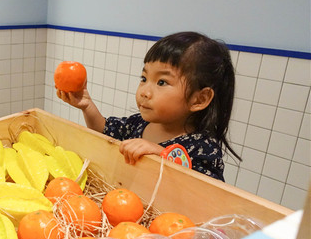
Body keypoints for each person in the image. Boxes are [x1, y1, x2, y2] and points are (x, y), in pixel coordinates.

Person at [57, 31, 241, 181]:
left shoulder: (203, 148)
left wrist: (162, 155)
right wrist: (87, 106)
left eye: (161, 82)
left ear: (199, 99)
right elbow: (105, 131)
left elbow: (207, 193)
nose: (144, 91)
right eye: (144, 78)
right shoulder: (138, 124)